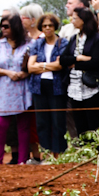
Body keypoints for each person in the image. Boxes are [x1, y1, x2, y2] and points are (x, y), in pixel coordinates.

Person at [0, 15, 31, 165]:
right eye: (2, 26)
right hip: (5, 88)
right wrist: (8, 73)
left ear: (15, 27)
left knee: (23, 124)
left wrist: (24, 73)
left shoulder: (28, 44)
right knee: (1, 124)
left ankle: (23, 160)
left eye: (7, 26)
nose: (3, 29)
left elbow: (33, 63)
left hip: (23, 87)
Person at [27, 14, 68, 157]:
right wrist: (49, 66)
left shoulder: (63, 43)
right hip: (39, 86)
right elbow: (30, 67)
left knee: (58, 121)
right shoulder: (37, 44)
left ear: (55, 26)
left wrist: (41, 65)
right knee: (42, 121)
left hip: (57, 86)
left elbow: (60, 66)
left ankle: (58, 154)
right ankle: (46, 154)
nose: (47, 28)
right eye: (44, 26)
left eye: (50, 25)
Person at [60, 8, 99, 138]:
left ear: (83, 20)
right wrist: (79, 58)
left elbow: (95, 62)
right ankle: (84, 155)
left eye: (75, 18)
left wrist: (74, 64)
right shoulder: (74, 38)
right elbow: (63, 59)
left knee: (94, 126)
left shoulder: (96, 38)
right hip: (74, 88)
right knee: (80, 126)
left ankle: (97, 154)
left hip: (90, 88)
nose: (72, 21)